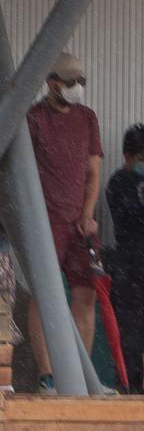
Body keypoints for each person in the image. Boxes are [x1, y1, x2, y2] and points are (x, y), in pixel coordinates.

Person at [20, 51, 104, 393]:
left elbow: (93, 170)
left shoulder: (87, 118)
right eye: (70, 82)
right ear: (51, 82)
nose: (76, 88)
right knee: (44, 295)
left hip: (80, 223)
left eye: (80, 82)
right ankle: (47, 374)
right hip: (45, 221)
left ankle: (80, 374)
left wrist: (87, 212)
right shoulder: (33, 118)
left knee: (86, 294)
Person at [104, 125, 144, 390]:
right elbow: (130, 215)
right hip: (129, 259)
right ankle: (127, 381)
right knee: (129, 325)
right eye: (141, 157)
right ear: (126, 155)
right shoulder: (119, 181)